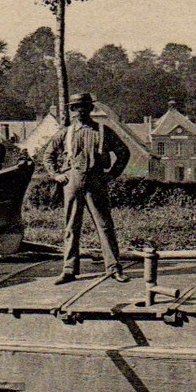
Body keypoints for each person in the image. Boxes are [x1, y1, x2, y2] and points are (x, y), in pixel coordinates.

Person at [46, 93, 131, 285]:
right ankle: (69, 270)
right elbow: (48, 155)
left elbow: (123, 152)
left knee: (105, 226)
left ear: (90, 109)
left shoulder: (103, 131)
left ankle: (113, 268)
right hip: (72, 181)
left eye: (84, 106)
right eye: (76, 107)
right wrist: (56, 175)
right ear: (72, 111)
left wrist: (111, 175)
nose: (80, 110)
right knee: (71, 226)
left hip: (96, 181)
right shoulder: (65, 133)